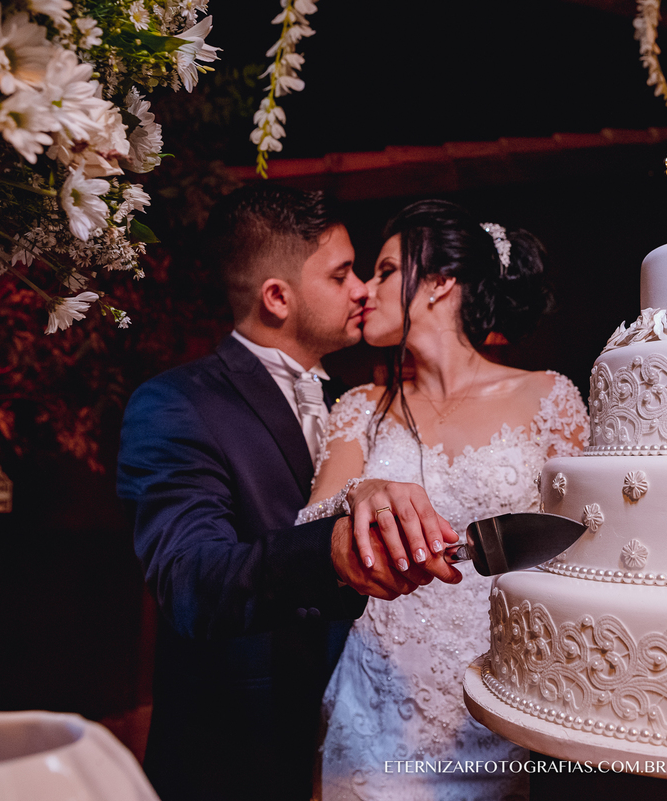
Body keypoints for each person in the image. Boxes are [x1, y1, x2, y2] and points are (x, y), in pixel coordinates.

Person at [117, 186, 459, 801]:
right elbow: (190, 579)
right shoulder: (177, 403)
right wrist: (328, 551)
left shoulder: (358, 404)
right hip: (240, 749)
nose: (363, 289)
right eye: (341, 275)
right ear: (277, 297)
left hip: (371, 732)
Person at [299, 200, 589, 800]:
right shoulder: (359, 407)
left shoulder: (548, 398)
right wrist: (360, 492)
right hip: (376, 703)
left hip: (500, 698)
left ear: (440, 283)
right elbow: (305, 530)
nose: (365, 289)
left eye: (385, 270)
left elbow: (585, 546)